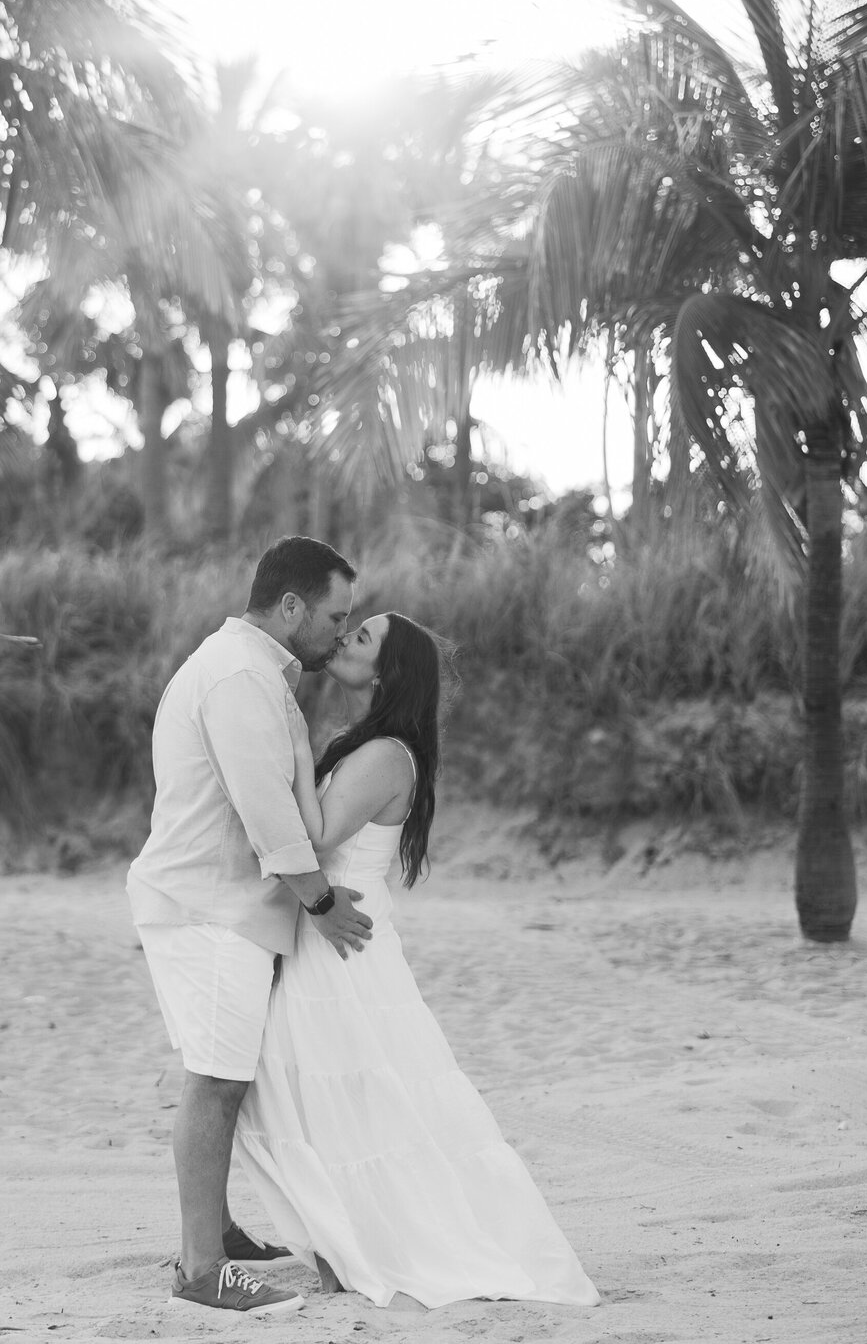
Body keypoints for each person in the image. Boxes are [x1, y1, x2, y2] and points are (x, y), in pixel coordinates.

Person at [233, 610, 601, 1309]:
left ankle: (357, 1247)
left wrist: (275, 749)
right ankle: (344, 1244)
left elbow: (314, 833)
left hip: (339, 942)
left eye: (361, 637)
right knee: (325, 1099)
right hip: (335, 932)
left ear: (386, 671)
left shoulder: (381, 755)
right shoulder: (373, 744)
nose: (343, 638)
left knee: (337, 1099)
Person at [126, 536, 375, 1319]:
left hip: (218, 906)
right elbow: (263, 807)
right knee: (218, 1078)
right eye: (335, 614)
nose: (342, 630)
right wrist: (320, 899)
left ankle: (219, 1233)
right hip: (209, 908)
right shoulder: (238, 676)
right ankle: (201, 1266)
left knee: (229, 1072)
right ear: (291, 604)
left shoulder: (252, 670)